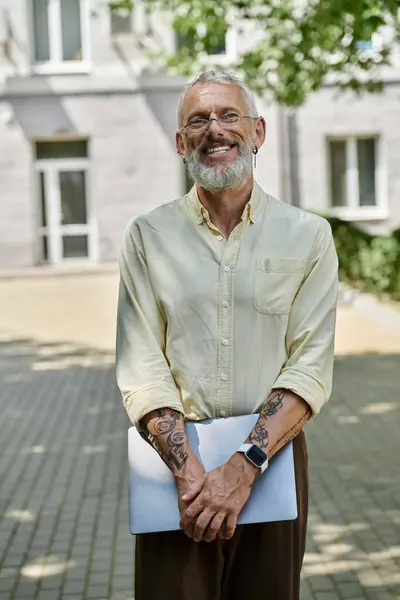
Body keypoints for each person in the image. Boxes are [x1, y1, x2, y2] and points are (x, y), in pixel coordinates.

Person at [116, 70, 338, 600]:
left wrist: (244, 467)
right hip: (173, 471)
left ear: (258, 132)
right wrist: (191, 474)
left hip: (273, 463)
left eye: (228, 115)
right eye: (198, 120)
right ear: (179, 143)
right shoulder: (147, 236)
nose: (214, 129)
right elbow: (142, 361)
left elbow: (310, 366)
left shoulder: (309, 235)